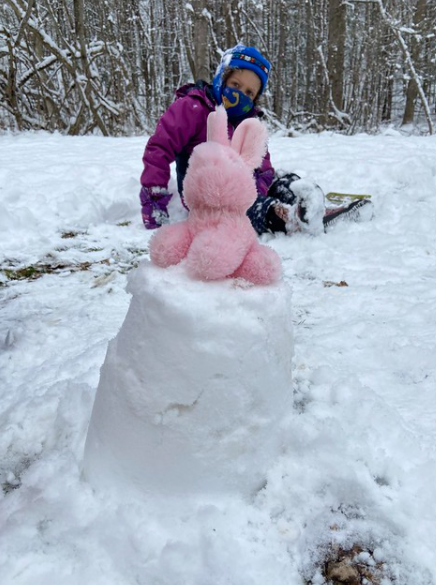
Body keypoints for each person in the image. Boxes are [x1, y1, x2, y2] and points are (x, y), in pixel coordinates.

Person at [139, 44, 372, 235]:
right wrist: (154, 197)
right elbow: (159, 148)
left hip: (244, 185)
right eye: (235, 85)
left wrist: (257, 187)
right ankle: (285, 217)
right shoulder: (193, 108)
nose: (241, 95)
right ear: (222, 78)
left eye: (249, 93)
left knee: (284, 179)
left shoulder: (249, 122)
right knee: (243, 206)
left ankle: (309, 206)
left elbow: (263, 166)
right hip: (208, 194)